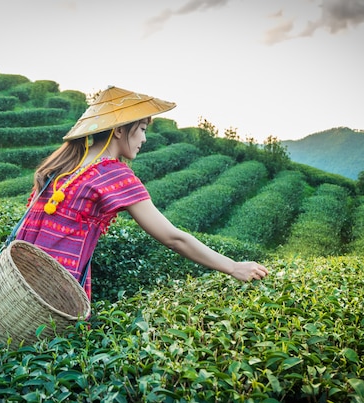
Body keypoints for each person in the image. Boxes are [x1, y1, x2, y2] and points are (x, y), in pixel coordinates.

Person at [16, 86, 269, 300]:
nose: (144, 139)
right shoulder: (113, 174)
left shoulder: (62, 165)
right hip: (56, 292)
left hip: (17, 279)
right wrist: (233, 267)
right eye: (142, 129)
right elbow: (173, 238)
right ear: (118, 130)